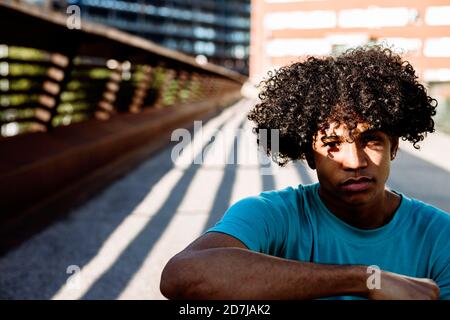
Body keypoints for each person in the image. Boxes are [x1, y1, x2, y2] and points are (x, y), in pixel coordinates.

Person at [160, 45, 450, 300]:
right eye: (332, 144)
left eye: (370, 140)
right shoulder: (272, 215)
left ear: (394, 147)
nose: (354, 161)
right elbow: (182, 276)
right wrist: (365, 279)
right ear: (310, 156)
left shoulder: (440, 236)